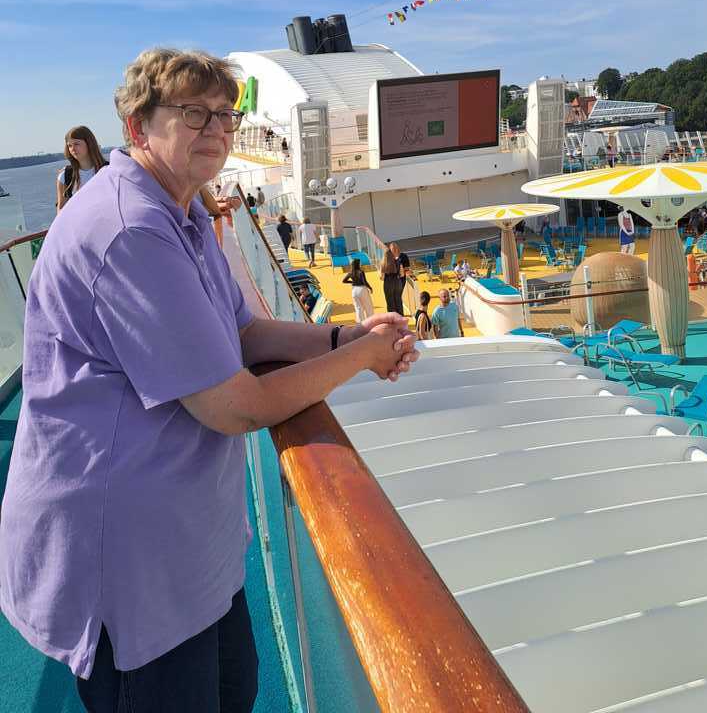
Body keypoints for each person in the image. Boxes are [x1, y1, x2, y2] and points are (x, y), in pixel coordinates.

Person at [0, 47, 418, 713]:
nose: (217, 129)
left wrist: (346, 336)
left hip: (190, 547)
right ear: (137, 126)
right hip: (128, 559)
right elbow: (237, 407)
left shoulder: (184, 210)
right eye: (193, 113)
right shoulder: (129, 229)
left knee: (232, 692)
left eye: (226, 115)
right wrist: (363, 358)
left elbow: (243, 333)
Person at [56, 125, 107, 212]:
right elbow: (61, 210)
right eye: (69, 146)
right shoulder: (65, 175)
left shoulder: (109, 169)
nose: (72, 149)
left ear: (89, 144)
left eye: (76, 144)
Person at [342, 258, 374, 323]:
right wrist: (370, 288)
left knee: (358, 308)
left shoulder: (350, 273)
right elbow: (364, 282)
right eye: (360, 263)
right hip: (362, 289)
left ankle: (361, 323)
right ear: (357, 264)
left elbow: (344, 281)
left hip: (354, 290)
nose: (360, 264)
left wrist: (352, 282)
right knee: (368, 306)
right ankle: (370, 321)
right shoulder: (361, 272)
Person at [380, 245, 403, 315]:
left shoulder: (383, 264)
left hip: (388, 283)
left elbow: (382, 278)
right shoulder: (398, 261)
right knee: (398, 300)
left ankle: (393, 318)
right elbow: (402, 274)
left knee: (390, 302)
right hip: (397, 282)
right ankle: (401, 316)